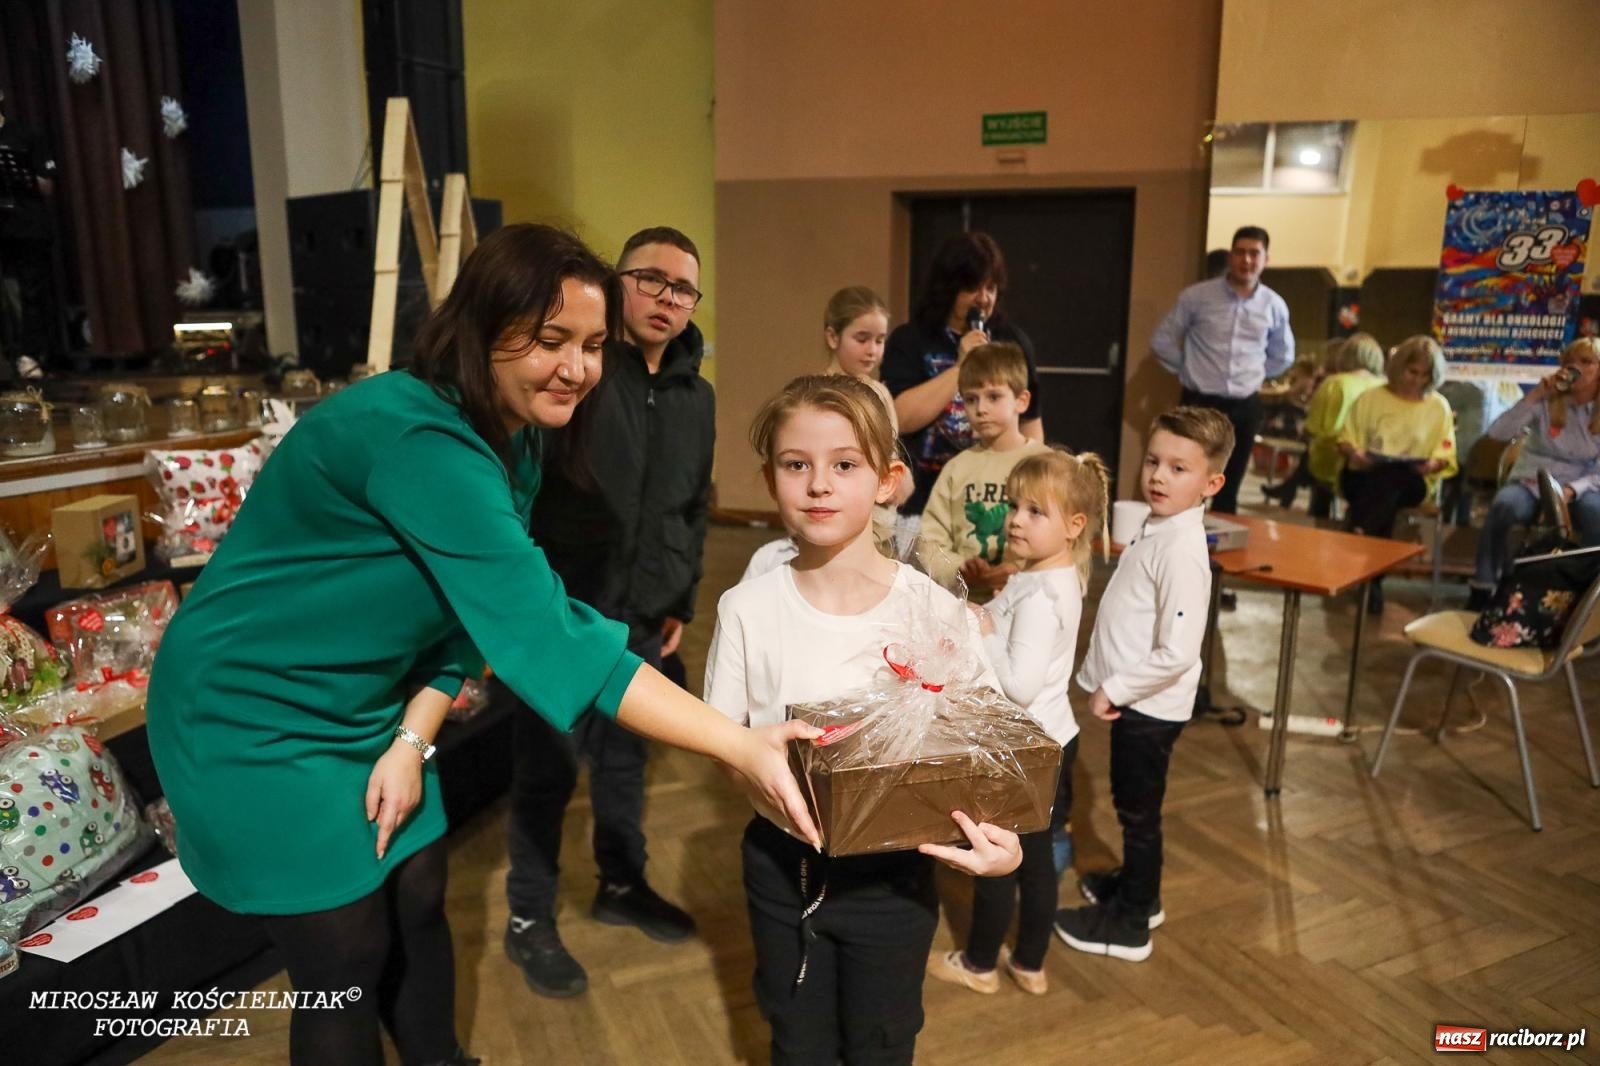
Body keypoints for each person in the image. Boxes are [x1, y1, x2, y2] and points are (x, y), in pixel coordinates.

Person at [144, 225, 822, 1066]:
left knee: (420, 891)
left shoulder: (515, 430)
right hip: (249, 711)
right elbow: (546, 631)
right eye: (550, 341)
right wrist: (740, 744)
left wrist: (410, 736)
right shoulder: (421, 440)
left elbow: (467, 611)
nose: (578, 367)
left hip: (366, 701)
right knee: (342, 954)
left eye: (592, 344)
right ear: (480, 327)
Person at [704, 374, 1023, 1065]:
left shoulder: (936, 614)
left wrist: (1006, 842)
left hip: (895, 882)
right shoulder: (747, 610)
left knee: (882, 1043)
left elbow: (992, 750)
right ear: (770, 478)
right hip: (783, 871)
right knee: (797, 1043)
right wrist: (752, 767)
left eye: (844, 464)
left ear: (887, 480)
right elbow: (725, 746)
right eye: (798, 465)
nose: (819, 484)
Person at [502, 226, 712, 996]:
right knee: (547, 771)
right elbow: (524, 495)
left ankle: (620, 884)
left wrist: (677, 600)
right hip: (563, 614)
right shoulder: (580, 379)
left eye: (684, 287)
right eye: (651, 279)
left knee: (625, 765)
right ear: (618, 283)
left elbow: (693, 507)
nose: (667, 297)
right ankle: (529, 916)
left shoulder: (699, 397)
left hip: (644, 619)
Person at [1054, 406, 1233, 963]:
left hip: (1149, 708)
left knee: (1137, 813)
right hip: (1139, 702)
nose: (1158, 476)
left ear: (1211, 483)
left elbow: (1178, 651)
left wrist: (1118, 689)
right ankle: (1139, 890)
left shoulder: (1182, 551)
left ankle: (1132, 923)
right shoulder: (1160, 527)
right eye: (1154, 461)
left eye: (1179, 468)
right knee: (1134, 805)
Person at [927, 447, 1108, 996]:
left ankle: (980, 964)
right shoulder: (1051, 578)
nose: (1016, 519)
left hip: (1024, 751)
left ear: (1074, 526)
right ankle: (1030, 962)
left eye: (1035, 511)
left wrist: (983, 630)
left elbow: (1019, 685)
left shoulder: (1038, 597)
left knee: (1000, 860)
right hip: (1053, 742)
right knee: (1036, 860)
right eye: (1013, 505)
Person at [883, 231, 1045, 552]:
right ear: (948, 289)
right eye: (973, 288)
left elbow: (1031, 425)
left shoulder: (1013, 342)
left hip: (994, 503)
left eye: (991, 288)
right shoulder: (910, 341)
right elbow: (899, 418)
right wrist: (962, 367)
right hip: (922, 505)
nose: (983, 299)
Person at [1151, 225, 1294, 517]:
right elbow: (1161, 341)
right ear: (1231, 256)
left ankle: (1219, 556)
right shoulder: (1197, 297)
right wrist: (1188, 368)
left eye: (1254, 253)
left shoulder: (1274, 305)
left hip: (1244, 404)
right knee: (1184, 479)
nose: (1247, 260)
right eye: (1240, 252)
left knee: (1230, 485)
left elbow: (1283, 355)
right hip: (1199, 401)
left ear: (1266, 259)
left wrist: (1256, 373)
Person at [1468, 336, 1600, 609]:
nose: (1575, 367)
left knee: (1596, 514)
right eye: (1570, 362)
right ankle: (1484, 586)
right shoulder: (1547, 401)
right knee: (1504, 506)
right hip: (1532, 479)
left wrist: (1570, 491)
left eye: (1586, 362)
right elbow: (1497, 433)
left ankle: (1587, 596)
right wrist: (1535, 396)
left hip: (1582, 483)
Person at [1338, 335, 1458, 613]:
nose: (1415, 379)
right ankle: (1374, 579)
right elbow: (1346, 440)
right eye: (1411, 371)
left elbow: (1446, 455)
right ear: (1398, 366)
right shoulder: (1371, 398)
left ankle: (1359, 531)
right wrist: (1356, 454)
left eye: (1423, 374)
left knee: (1392, 479)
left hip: (1411, 481)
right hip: (1364, 475)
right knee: (1385, 490)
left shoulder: (1438, 406)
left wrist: (1431, 465)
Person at [915, 342, 1047, 595]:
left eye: (994, 397)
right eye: (971, 399)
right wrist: (959, 568)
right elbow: (930, 541)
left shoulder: (1043, 464)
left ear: (1021, 400)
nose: (981, 409)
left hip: (1029, 597)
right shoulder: (957, 468)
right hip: (967, 603)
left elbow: (1062, 539)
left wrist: (1021, 569)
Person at [1268, 332, 1385, 517]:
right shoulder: (1384, 387)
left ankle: (1316, 519)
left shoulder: (1335, 383)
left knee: (1317, 460)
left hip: (1332, 460)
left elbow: (1312, 427)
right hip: (1373, 462)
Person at [0, 89, 58, 380]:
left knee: (31, 293)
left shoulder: (24, 135)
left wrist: (20, 174)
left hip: (26, 225)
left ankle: (30, 355)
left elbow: (48, 186)